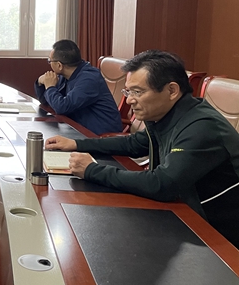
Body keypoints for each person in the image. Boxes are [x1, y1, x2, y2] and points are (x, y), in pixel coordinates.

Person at [46, 50, 239, 247]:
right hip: (186, 216)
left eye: (137, 92)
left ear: (172, 90)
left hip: (219, 236)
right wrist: (77, 144)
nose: (130, 100)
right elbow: (135, 143)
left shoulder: (201, 126)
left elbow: (162, 184)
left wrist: (92, 170)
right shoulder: (167, 114)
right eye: (128, 92)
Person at [35, 39, 122, 135]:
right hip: (79, 129)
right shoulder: (66, 76)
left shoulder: (89, 79)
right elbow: (47, 102)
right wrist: (40, 83)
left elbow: (62, 107)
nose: (49, 63)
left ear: (59, 65)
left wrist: (50, 87)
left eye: (49, 61)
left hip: (101, 136)